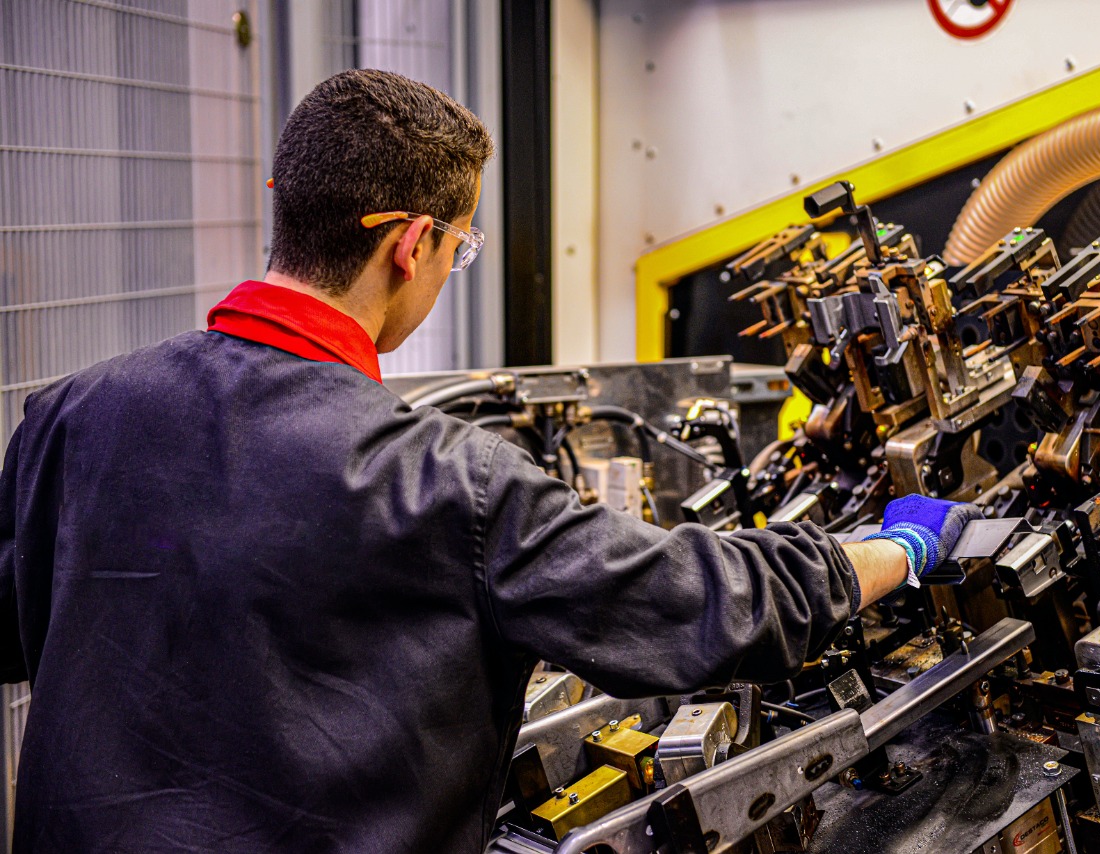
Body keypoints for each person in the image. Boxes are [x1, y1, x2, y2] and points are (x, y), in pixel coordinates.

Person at [0, 69, 979, 853]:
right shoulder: (440, 479)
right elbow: (683, 599)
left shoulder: (69, 416)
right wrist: (893, 548)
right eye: (459, 249)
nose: (445, 268)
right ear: (412, 242)